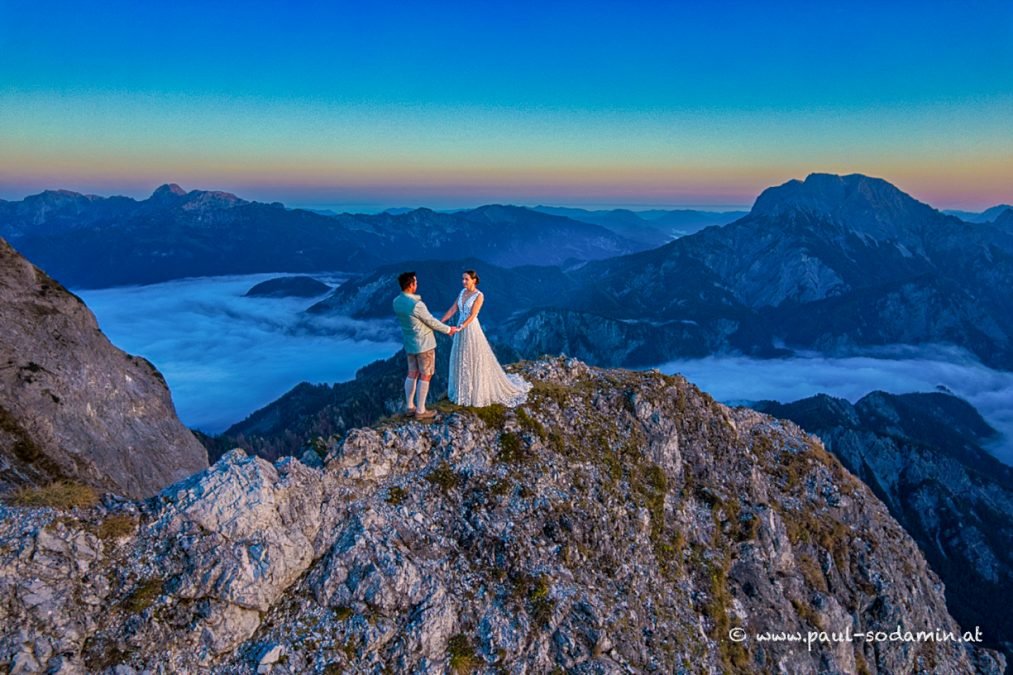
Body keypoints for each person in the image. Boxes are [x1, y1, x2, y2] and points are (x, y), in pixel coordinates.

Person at [441, 269, 532, 407]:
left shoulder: (479, 295)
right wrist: (440, 322)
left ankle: (474, 392)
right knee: (460, 357)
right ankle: (462, 391)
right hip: (461, 327)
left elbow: (473, 315)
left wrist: (461, 327)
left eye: (466, 279)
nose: (463, 281)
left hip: (470, 328)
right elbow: (453, 309)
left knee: (473, 357)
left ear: (474, 280)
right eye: (462, 279)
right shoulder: (461, 293)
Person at [393, 271, 458, 420]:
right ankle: (421, 410)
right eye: (415, 282)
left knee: (412, 373)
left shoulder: (396, 301)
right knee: (425, 375)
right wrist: (448, 329)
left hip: (410, 343)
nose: (417, 284)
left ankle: (410, 407)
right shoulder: (417, 305)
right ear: (410, 285)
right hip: (424, 344)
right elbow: (431, 321)